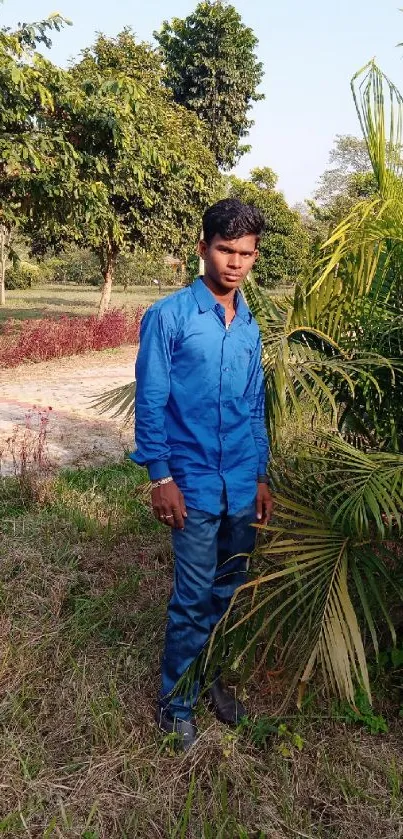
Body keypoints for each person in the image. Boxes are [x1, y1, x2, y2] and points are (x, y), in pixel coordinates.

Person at [131, 198, 273, 750]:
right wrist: (159, 476)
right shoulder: (169, 317)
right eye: (225, 250)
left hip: (241, 481)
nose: (235, 263)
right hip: (189, 482)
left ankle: (207, 676)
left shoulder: (249, 327)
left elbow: (253, 404)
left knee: (228, 591)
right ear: (203, 248)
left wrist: (261, 474)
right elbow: (152, 400)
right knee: (192, 596)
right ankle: (176, 703)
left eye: (246, 254)